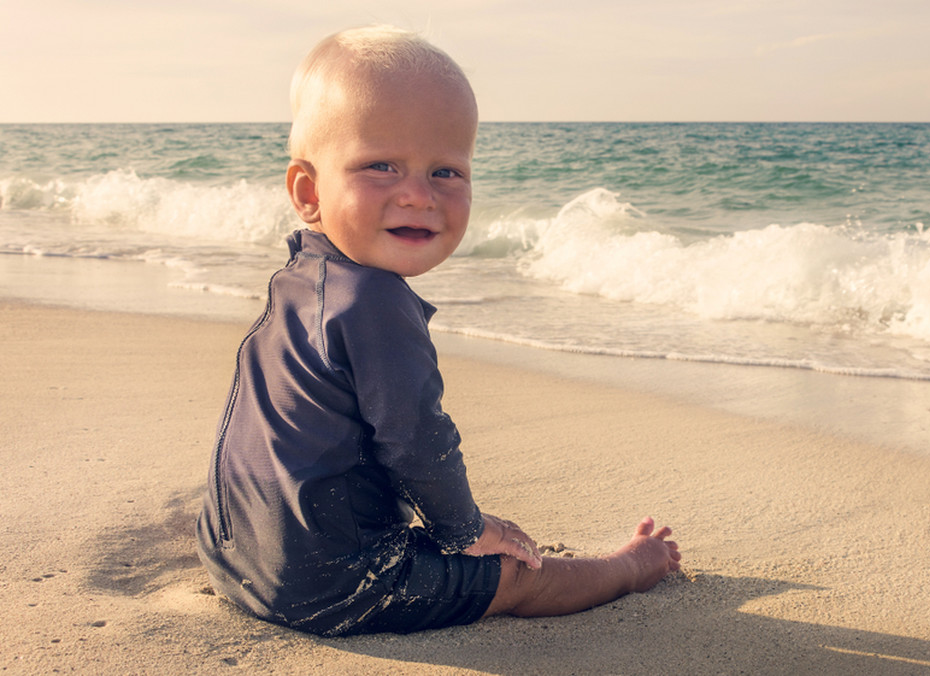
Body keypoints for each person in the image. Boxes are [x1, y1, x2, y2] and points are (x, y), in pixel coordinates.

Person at [195, 25, 681, 637]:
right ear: (309, 191)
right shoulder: (375, 302)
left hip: (236, 555)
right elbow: (418, 441)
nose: (418, 196)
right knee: (518, 574)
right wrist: (465, 530)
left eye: (446, 172)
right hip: (334, 585)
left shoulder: (300, 279)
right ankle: (630, 567)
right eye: (381, 166)